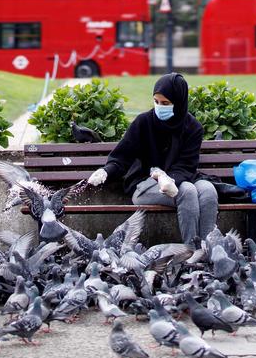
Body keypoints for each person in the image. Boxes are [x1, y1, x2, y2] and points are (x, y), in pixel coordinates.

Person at [87, 73, 218, 246]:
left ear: (178, 103)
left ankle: (210, 249)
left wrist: (169, 179)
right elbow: (122, 156)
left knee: (208, 191)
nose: (159, 107)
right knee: (187, 191)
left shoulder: (192, 127)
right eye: (156, 101)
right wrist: (106, 171)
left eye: (165, 103)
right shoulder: (144, 122)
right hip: (144, 185)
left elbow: (186, 166)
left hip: (179, 178)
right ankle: (191, 252)